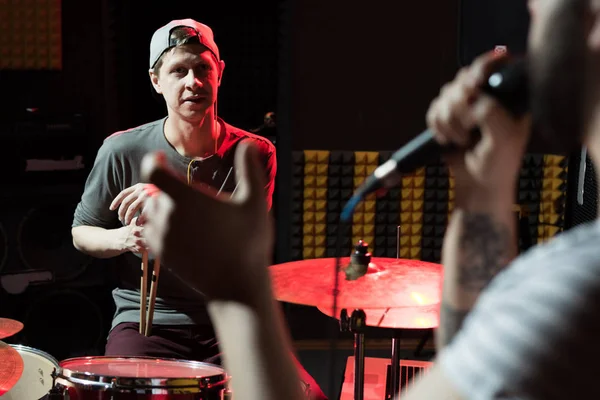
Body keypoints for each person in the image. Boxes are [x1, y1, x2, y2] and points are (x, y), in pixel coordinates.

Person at [140, 0, 600, 399]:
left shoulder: (574, 289)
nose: (531, 10)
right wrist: (482, 191)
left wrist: (236, 287)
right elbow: (473, 357)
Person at [71, 18, 326, 400]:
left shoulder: (254, 154)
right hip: (148, 326)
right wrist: (124, 238)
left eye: (202, 68)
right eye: (178, 71)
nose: (193, 82)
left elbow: (238, 253)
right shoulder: (121, 150)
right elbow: (81, 232)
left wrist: (169, 205)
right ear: (157, 81)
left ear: (219, 74)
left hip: (227, 319)